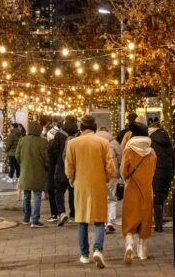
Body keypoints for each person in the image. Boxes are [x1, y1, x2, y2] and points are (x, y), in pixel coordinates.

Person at [65, 115, 116, 268]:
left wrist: (72, 180)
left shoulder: (72, 143)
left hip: (81, 184)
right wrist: (105, 178)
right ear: (94, 127)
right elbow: (110, 167)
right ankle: (98, 249)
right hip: (98, 183)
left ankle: (84, 255)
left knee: (82, 220)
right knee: (100, 219)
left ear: (80, 127)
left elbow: (69, 167)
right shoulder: (103, 142)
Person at [120, 122, 157, 264]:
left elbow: (123, 170)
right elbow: (153, 172)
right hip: (147, 189)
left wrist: (126, 180)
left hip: (131, 189)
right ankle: (143, 253)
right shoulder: (152, 152)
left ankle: (129, 245)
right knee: (146, 221)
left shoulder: (129, 150)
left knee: (129, 220)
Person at [16, 122, 48, 227]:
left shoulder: (22, 140)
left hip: (25, 172)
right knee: (37, 195)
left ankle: (26, 218)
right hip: (39, 172)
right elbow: (47, 159)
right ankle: (35, 220)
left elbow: (17, 156)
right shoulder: (43, 142)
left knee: (26, 195)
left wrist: (23, 163)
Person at [51, 115, 78, 225]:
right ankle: (73, 214)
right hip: (75, 169)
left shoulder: (59, 135)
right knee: (73, 192)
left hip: (61, 168)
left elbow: (53, 151)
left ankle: (61, 213)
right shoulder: (78, 135)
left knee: (59, 191)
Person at [148, 121, 173, 232]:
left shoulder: (150, 139)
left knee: (156, 198)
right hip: (167, 171)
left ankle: (158, 224)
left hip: (155, 170)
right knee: (162, 196)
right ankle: (159, 221)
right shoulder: (167, 137)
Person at [96, 127, 122, 234]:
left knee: (100, 198)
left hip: (98, 174)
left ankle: (102, 220)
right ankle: (110, 221)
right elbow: (121, 158)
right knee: (112, 197)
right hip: (112, 174)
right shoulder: (114, 142)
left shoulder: (94, 142)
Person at [45, 123, 61, 222]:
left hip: (51, 171)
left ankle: (55, 214)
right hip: (59, 171)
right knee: (58, 192)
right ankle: (60, 213)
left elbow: (47, 160)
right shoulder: (60, 144)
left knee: (52, 191)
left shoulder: (50, 146)